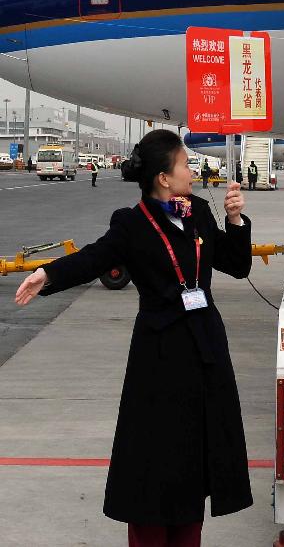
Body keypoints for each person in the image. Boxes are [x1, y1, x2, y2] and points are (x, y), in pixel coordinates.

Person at [14, 130, 254, 547]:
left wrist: (235, 221)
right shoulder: (132, 224)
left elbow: (237, 265)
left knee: (193, 466)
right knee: (153, 468)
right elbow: (94, 257)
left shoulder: (198, 210)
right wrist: (48, 273)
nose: (191, 171)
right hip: (159, 363)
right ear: (163, 177)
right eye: (184, 164)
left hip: (205, 356)